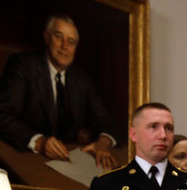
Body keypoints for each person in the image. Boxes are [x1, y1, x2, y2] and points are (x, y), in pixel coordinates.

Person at [0, 14, 119, 169]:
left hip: (65, 163)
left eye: (71, 42)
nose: (65, 46)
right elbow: (2, 114)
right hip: (26, 157)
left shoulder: (81, 79)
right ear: (46, 38)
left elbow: (107, 121)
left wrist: (103, 144)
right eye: (58, 37)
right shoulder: (23, 65)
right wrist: (40, 141)